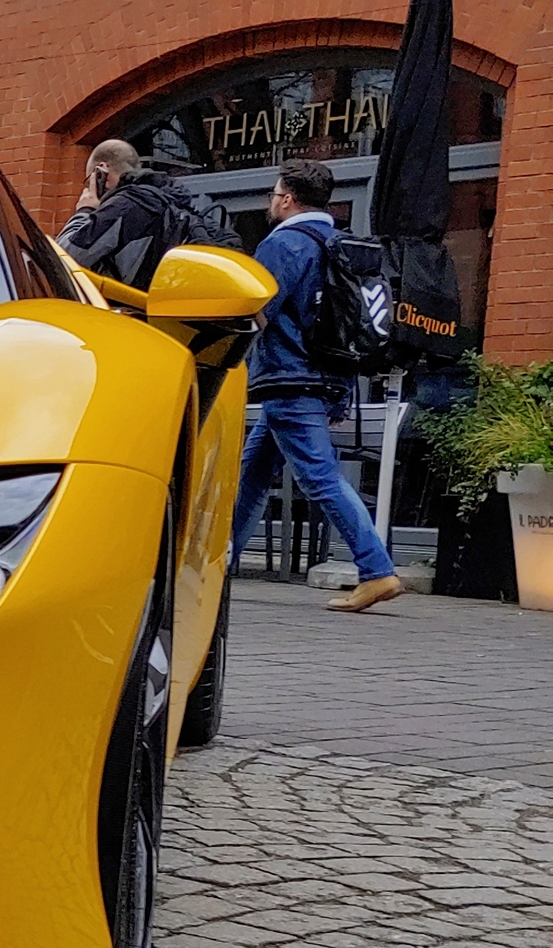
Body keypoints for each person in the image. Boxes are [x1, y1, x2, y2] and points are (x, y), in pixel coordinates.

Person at [229, 159, 401, 613]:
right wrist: (341, 388)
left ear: (286, 199)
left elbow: (257, 307)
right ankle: (216, 561)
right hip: (323, 376)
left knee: (320, 477)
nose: (271, 201)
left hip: (289, 377)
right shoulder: (337, 242)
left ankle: (376, 569)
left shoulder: (285, 243)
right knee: (253, 473)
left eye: (273, 194)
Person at [58, 138, 236, 289]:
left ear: (101, 172)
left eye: (89, 181)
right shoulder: (174, 203)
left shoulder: (123, 206)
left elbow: (62, 259)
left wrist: (85, 210)